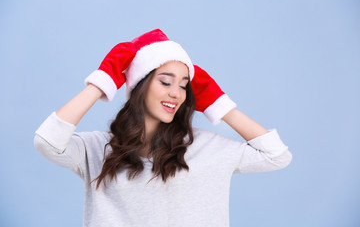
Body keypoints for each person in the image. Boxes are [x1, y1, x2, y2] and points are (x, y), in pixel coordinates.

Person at [34, 29, 292, 227]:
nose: (176, 93)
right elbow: (48, 142)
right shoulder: (98, 149)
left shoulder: (206, 148)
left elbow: (276, 156)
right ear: (140, 86)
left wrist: (220, 104)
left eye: (184, 85)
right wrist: (102, 81)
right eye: (166, 82)